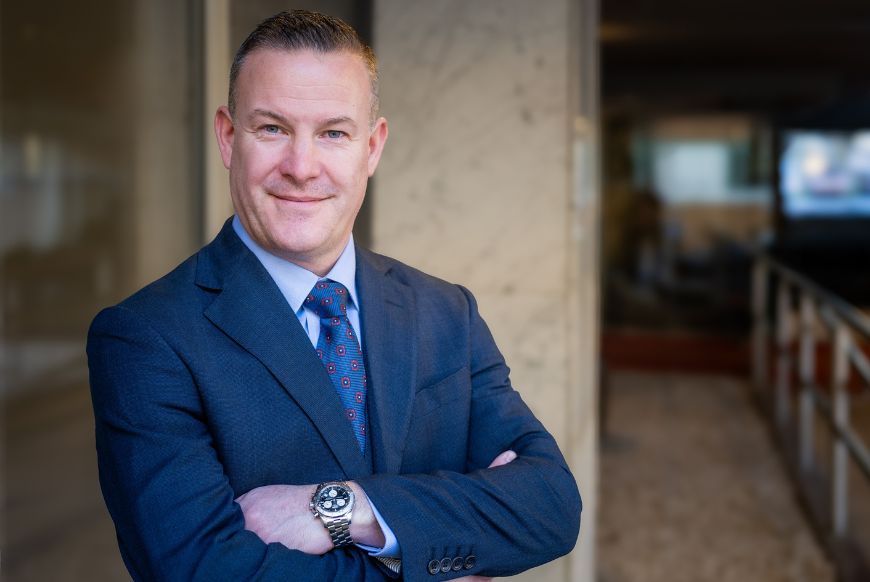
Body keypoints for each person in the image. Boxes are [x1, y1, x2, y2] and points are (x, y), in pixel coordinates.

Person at [87, 10, 581, 582]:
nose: (302, 167)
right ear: (227, 137)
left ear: (371, 148)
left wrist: (341, 509)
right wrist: (439, 548)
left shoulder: (446, 312)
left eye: (333, 133)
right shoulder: (146, 338)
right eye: (272, 128)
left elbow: (550, 506)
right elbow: (201, 569)